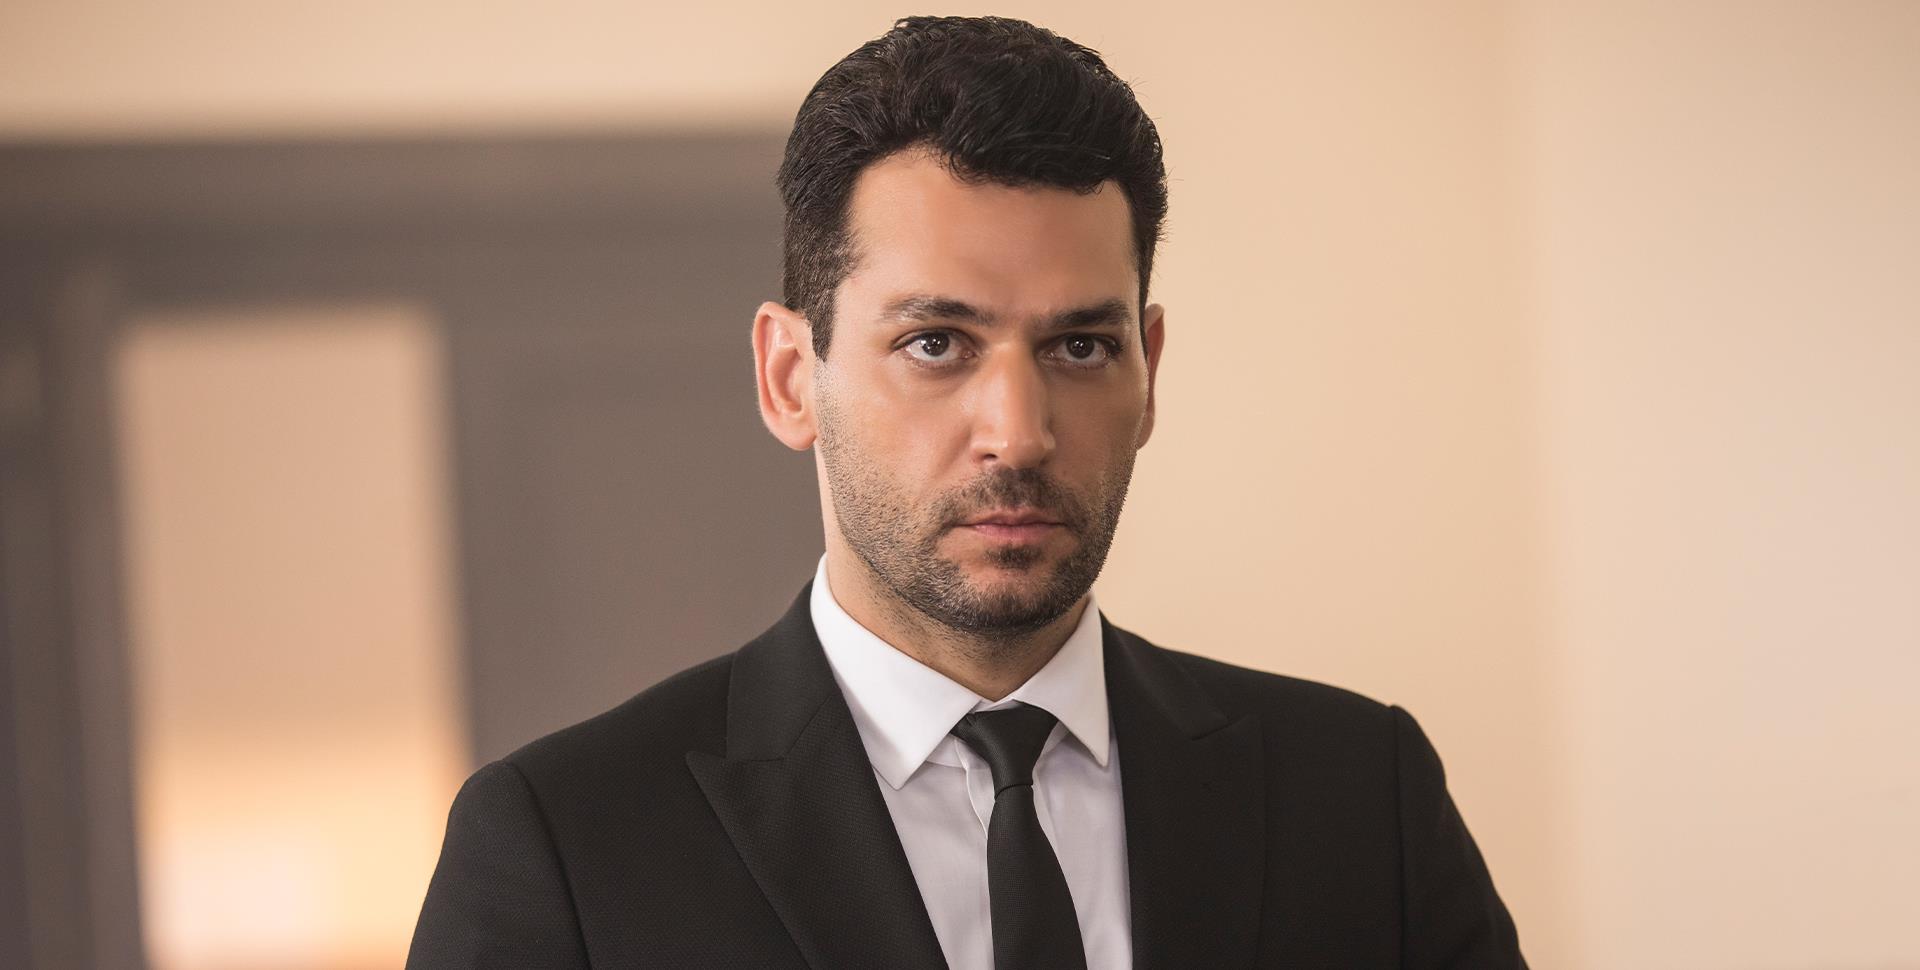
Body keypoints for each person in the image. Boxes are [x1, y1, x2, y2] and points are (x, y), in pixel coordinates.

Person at [407, 15, 1526, 969]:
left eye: (1080, 347)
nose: (1019, 433)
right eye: (936, 342)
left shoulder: (1360, 798)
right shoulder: (567, 846)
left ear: (1148, 373)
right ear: (790, 377)